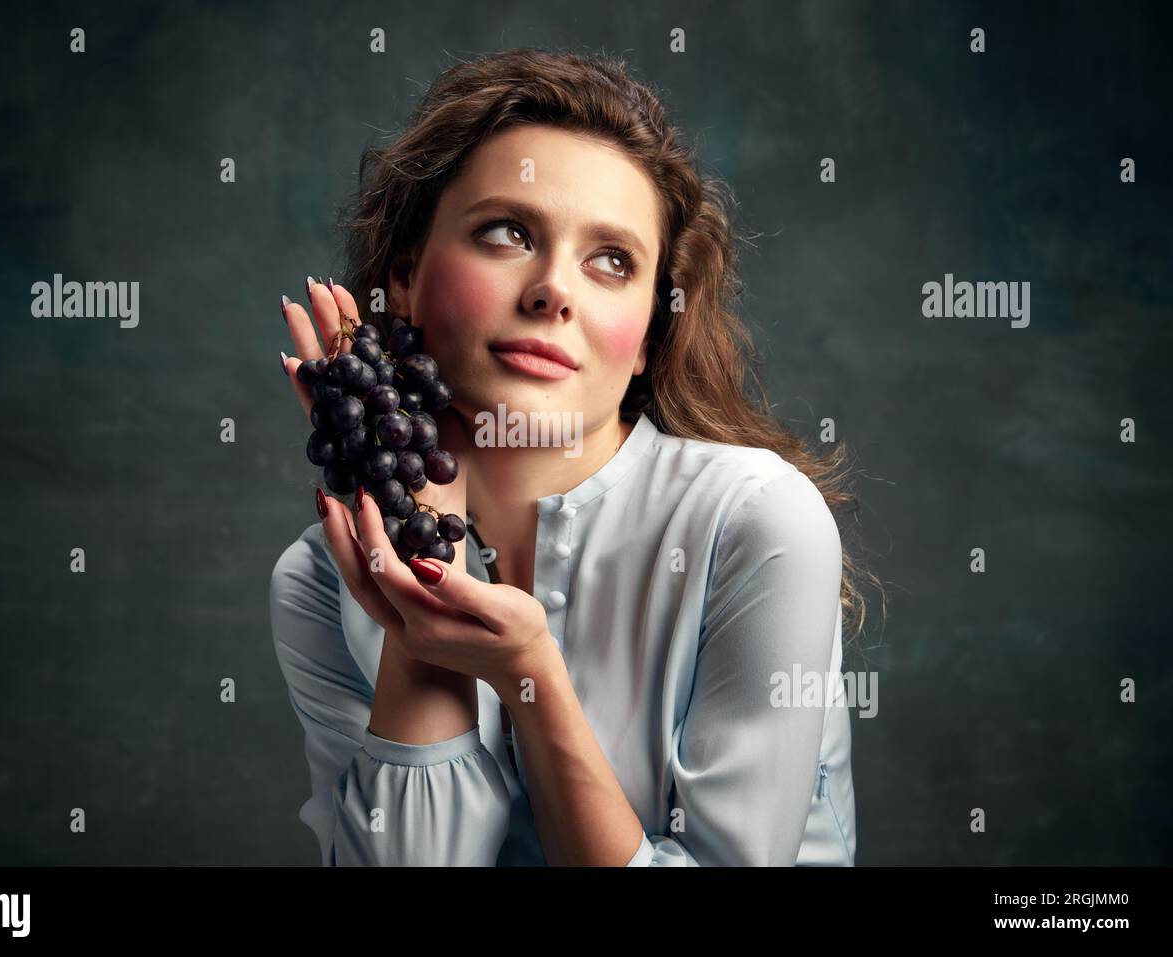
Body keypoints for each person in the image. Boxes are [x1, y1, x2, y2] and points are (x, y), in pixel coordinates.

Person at [271, 48, 882, 866]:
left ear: (644, 343)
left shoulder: (758, 523)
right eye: (507, 232)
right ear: (407, 279)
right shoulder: (320, 579)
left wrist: (531, 674)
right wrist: (422, 570)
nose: (554, 288)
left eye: (612, 261)